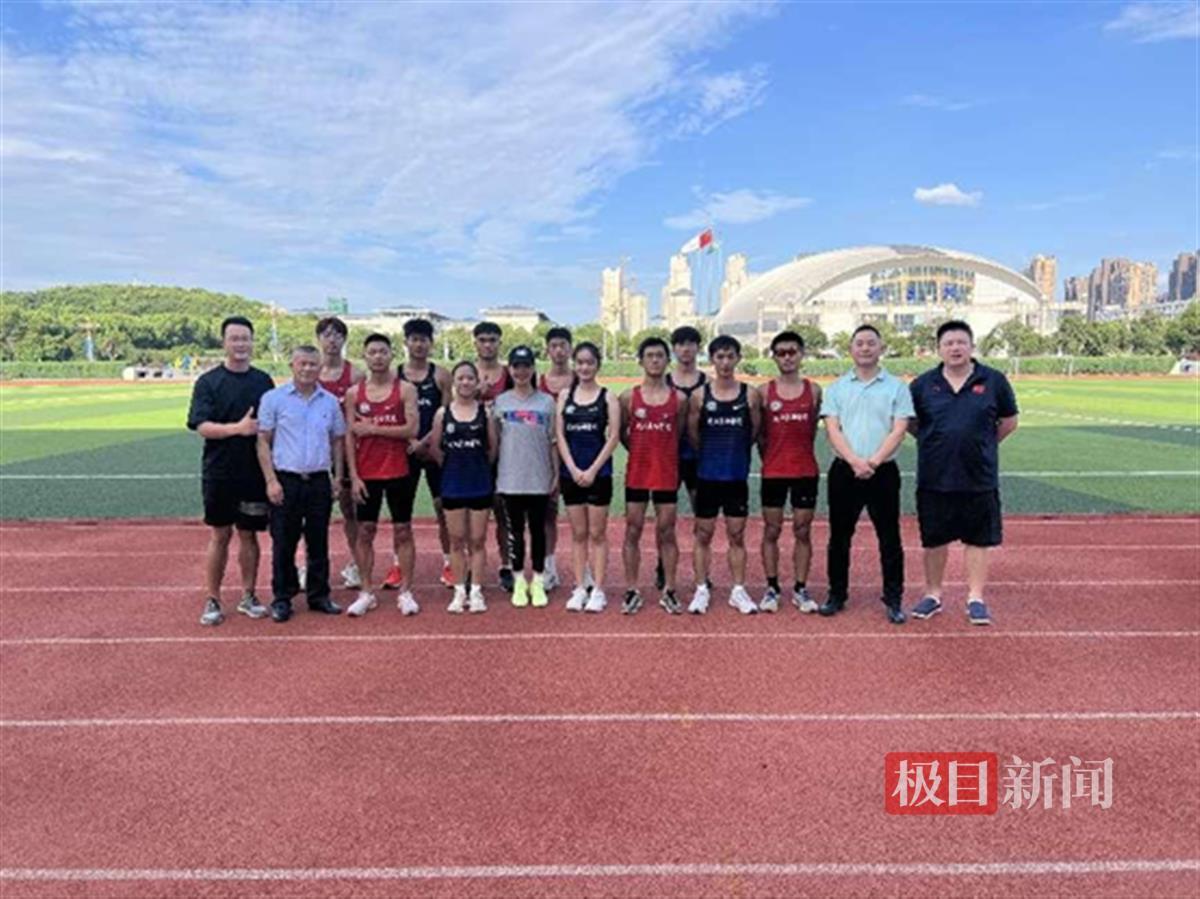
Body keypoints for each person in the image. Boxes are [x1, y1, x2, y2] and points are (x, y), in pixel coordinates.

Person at [909, 320, 1019, 626]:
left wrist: (982, 445)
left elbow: (1009, 421)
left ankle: (975, 598)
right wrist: (936, 442)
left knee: (977, 539)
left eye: (961, 342)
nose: (955, 348)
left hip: (978, 475)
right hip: (935, 476)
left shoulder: (994, 380)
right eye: (949, 343)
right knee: (934, 540)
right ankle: (933, 594)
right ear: (939, 349)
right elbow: (911, 424)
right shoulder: (922, 384)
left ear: (971, 346)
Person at [819, 324, 913, 624]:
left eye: (871, 343)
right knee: (839, 537)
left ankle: (893, 597)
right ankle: (837, 594)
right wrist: (854, 461)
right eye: (859, 343)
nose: (865, 348)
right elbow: (832, 429)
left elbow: (899, 430)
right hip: (844, 471)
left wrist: (872, 462)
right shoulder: (837, 388)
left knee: (889, 537)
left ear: (881, 348)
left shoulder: (897, 387)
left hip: (882, 471)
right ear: (851, 349)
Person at [186, 316, 275, 626]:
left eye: (245, 338)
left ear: (252, 342)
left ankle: (249, 595)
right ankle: (213, 598)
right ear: (223, 342)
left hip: (253, 472)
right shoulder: (208, 382)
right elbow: (201, 426)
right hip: (220, 472)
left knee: (249, 534)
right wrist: (237, 428)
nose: (240, 344)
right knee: (220, 534)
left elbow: (270, 425)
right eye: (234, 338)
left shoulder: (263, 381)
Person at [255, 345, 347, 622]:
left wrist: (337, 477)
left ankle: (319, 596)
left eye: (313, 364)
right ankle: (282, 597)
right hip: (286, 479)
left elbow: (337, 441)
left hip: (318, 480)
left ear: (320, 368)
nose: (307, 369)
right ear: (292, 366)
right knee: (284, 541)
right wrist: (271, 480)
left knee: (318, 541)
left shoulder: (329, 402)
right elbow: (263, 441)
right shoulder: (273, 399)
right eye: (302, 363)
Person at [344, 334, 419, 617]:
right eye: (372, 352)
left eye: (383, 352)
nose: (377, 357)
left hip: (399, 469)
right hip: (367, 472)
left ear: (391, 355)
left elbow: (411, 429)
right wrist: (354, 475)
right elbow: (350, 436)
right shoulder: (354, 393)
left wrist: (373, 428)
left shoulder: (405, 390)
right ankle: (366, 592)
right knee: (365, 530)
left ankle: (406, 591)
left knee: (403, 529)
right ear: (365, 356)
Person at [687, 334, 761, 615]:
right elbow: (693, 434)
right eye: (720, 357)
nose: (726, 362)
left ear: (738, 358)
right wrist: (711, 454)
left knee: (737, 535)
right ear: (712, 360)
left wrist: (734, 453)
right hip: (707, 476)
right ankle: (701, 589)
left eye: (731, 357)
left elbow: (754, 432)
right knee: (703, 534)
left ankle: (738, 590)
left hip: (736, 477)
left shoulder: (750, 395)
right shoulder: (699, 396)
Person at [620, 337, 687, 614]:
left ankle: (669, 589)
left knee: (667, 531)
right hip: (637, 472)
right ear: (641, 361)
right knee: (632, 529)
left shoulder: (679, 399)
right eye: (649, 355)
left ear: (667, 360)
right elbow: (623, 434)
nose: (655, 360)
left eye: (660, 355)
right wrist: (641, 451)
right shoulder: (628, 397)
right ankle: (631, 589)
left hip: (666, 473)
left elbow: (679, 433)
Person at [757, 331, 822, 613]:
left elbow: (814, 429)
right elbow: (760, 435)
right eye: (781, 352)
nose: (787, 357)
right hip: (773, 471)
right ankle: (772, 587)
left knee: (802, 530)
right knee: (771, 529)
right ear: (774, 357)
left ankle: (800, 588)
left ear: (801, 354)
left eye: (792, 352)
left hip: (805, 471)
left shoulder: (814, 391)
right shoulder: (763, 392)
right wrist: (771, 458)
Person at [428, 361, 498, 614]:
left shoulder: (485, 414)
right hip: (452, 484)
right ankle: (459, 591)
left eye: (470, 378)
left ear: (477, 382)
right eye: (461, 378)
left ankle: (476, 591)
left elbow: (492, 449)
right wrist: (453, 466)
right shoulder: (442, 414)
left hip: (479, 484)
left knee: (477, 540)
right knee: (456, 540)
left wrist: (477, 466)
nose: (465, 382)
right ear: (454, 382)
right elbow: (435, 449)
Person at [557, 341, 620, 613]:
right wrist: (572, 468)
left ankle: (599, 590)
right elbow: (560, 435)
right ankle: (581, 586)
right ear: (574, 364)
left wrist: (593, 470)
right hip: (571, 474)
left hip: (599, 474)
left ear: (597, 365)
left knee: (597, 533)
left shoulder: (608, 398)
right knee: (578, 533)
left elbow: (613, 437)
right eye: (580, 362)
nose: (584, 367)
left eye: (589, 363)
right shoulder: (564, 396)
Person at [494, 345, 558, 608]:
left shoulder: (547, 402)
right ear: (510, 369)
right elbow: (496, 442)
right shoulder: (501, 402)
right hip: (510, 479)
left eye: (526, 366)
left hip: (539, 478)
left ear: (533, 368)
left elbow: (553, 441)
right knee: (516, 533)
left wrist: (555, 474)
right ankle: (519, 579)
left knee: (538, 532)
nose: (521, 372)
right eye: (516, 366)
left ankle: (539, 580)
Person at [394, 318, 454, 591]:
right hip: (404, 450)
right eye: (414, 339)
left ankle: (450, 563)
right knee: (401, 512)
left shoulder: (441, 375)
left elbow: (446, 414)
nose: (419, 345)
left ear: (431, 343)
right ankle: (398, 565)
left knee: (443, 509)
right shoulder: (395, 375)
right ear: (406, 343)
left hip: (435, 451)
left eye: (423, 340)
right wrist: (411, 440)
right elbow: (392, 413)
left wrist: (426, 442)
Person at [314, 316, 364, 592]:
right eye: (326, 335)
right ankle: (311, 565)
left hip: (346, 451)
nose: (332, 340)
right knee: (312, 513)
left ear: (344, 340)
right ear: (318, 339)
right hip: (315, 452)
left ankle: (357, 564)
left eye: (337, 335)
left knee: (350, 511)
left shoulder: (355, 375)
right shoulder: (311, 372)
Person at [661, 325, 707, 591]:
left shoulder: (708, 384)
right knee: (665, 520)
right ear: (674, 349)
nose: (686, 349)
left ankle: (701, 572)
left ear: (698, 348)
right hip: (669, 461)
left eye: (691, 343)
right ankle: (663, 567)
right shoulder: (663, 383)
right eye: (680, 344)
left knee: (703, 519)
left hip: (700, 460)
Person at [474, 321, 516, 592]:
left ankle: (506, 565)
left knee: (503, 512)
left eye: (492, 340)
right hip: (472, 453)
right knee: (472, 515)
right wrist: (476, 394)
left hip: (505, 453)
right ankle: (470, 565)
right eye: (483, 340)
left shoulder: (509, 375)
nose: (488, 345)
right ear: (475, 343)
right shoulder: (466, 374)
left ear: (499, 343)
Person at [539, 326, 576, 591]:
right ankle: (549, 568)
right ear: (547, 350)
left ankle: (584, 571)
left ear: (570, 348)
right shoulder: (538, 383)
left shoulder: (581, 379)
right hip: (544, 454)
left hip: (577, 454)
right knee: (547, 514)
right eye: (554, 345)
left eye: (563, 345)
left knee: (580, 516)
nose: (559, 350)